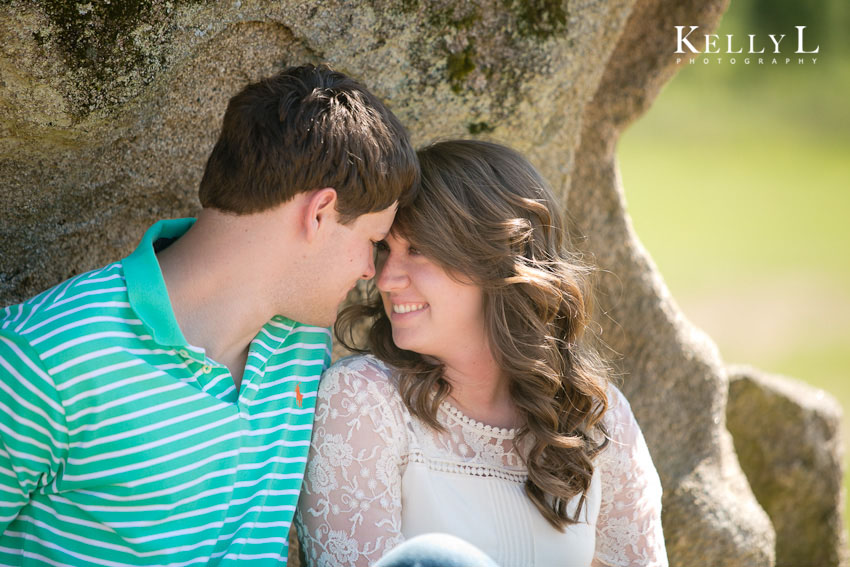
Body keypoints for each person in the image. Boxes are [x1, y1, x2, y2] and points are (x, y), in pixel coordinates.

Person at [0, 64, 418, 565]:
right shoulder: (46, 358)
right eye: (372, 242)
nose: (372, 271)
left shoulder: (301, 347)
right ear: (320, 213)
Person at [296, 139, 669, 567]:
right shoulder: (363, 399)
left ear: (495, 262)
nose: (386, 279)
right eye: (385, 249)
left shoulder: (596, 417)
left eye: (417, 250)